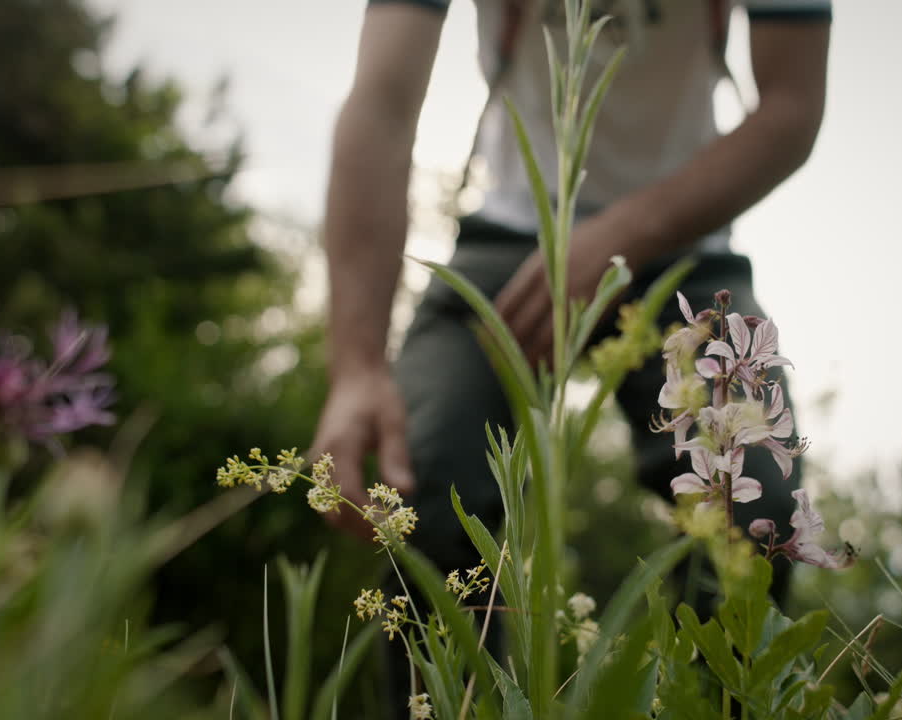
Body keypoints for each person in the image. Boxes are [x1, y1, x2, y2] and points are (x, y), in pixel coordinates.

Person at [309, 0, 829, 707]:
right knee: (427, 480)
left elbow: (792, 110)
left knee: (755, 505)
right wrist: (357, 367)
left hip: (687, 244)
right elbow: (382, 102)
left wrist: (621, 233)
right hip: (511, 242)